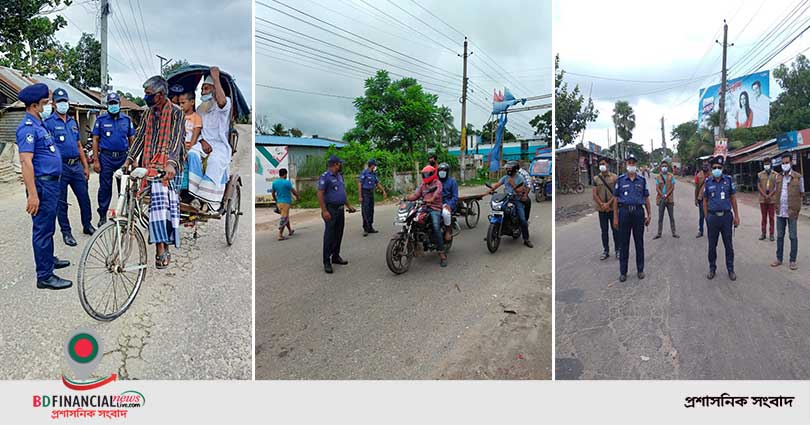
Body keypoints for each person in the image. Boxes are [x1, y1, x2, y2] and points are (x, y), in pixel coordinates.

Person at [124, 75, 185, 269]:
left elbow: (176, 140)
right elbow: (140, 136)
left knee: (160, 207)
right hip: (150, 162)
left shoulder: (176, 113)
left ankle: (162, 248)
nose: (146, 97)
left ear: (160, 95)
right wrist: (129, 159)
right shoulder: (147, 113)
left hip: (169, 166)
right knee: (133, 191)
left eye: (148, 94)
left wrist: (171, 163)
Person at [15, 83, 72, 289]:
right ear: (34, 106)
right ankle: (45, 276)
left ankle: (49, 260)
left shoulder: (40, 124)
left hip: (51, 185)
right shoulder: (27, 128)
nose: (49, 106)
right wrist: (33, 194)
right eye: (45, 103)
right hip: (42, 185)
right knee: (42, 229)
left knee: (49, 226)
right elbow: (25, 162)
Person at [44, 88, 94, 247]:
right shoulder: (49, 123)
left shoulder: (73, 122)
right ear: (53, 104)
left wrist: (85, 166)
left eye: (64, 101)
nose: (62, 104)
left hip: (76, 166)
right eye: (59, 101)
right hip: (61, 169)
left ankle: (87, 225)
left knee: (84, 198)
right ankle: (66, 232)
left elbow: (79, 145)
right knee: (62, 202)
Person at [187, 67, 231, 211]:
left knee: (215, 161)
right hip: (203, 142)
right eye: (202, 89)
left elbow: (222, 101)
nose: (203, 92)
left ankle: (209, 199)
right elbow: (197, 129)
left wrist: (216, 78)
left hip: (220, 146)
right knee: (191, 153)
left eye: (206, 89)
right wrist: (202, 141)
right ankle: (194, 195)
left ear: (214, 90)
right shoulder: (200, 108)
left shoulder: (225, 104)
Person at [92, 92, 135, 227]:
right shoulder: (101, 120)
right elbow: (95, 140)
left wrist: (133, 159)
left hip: (123, 158)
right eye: (110, 103)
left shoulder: (127, 120)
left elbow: (132, 140)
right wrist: (96, 160)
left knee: (124, 188)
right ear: (107, 105)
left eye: (115, 103)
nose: (113, 106)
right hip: (106, 158)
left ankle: (124, 215)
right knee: (105, 188)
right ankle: (103, 215)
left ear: (119, 104)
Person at [612, 154, 650, 282]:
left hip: (638, 213)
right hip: (624, 213)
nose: (631, 165)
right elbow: (616, 200)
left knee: (639, 243)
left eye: (633, 163)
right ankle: (623, 272)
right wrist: (615, 217)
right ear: (626, 164)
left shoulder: (642, 180)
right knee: (624, 243)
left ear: (636, 165)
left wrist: (649, 214)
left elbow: (646, 198)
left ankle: (640, 269)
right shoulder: (620, 180)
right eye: (630, 163)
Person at [703, 155, 740, 281]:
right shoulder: (708, 182)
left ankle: (731, 269)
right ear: (711, 169)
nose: (717, 169)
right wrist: (706, 216)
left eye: (719, 167)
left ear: (723, 168)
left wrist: (736, 216)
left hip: (726, 218)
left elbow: (733, 199)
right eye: (714, 167)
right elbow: (705, 200)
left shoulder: (728, 180)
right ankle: (712, 268)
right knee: (712, 245)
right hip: (713, 218)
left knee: (728, 245)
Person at [318, 155, 356, 273]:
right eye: (340, 164)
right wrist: (324, 210)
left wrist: (348, 206)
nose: (341, 166)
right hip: (330, 209)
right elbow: (320, 194)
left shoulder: (340, 176)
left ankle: (335, 256)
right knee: (330, 235)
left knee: (339, 234)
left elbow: (342, 193)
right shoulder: (325, 177)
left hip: (340, 210)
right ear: (335, 164)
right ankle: (326, 261)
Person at [406, 165, 448, 266]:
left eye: (427, 174)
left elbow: (437, 193)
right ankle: (416, 243)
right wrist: (407, 198)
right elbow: (416, 195)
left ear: (433, 174)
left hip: (435, 208)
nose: (425, 176)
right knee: (412, 220)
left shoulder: (437, 183)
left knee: (435, 226)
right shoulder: (423, 185)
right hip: (424, 207)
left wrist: (432, 199)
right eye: (424, 174)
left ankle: (442, 254)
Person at [488, 160, 534, 248]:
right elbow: (497, 184)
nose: (508, 170)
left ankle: (526, 239)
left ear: (514, 169)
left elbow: (520, 191)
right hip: (506, 198)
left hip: (517, 199)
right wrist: (491, 189)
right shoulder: (505, 177)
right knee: (499, 210)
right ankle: (494, 232)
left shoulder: (520, 178)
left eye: (509, 168)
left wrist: (513, 184)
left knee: (523, 220)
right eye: (507, 168)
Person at [771, 153, 805, 271]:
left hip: (792, 212)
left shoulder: (798, 177)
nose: (784, 165)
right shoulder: (778, 177)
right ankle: (779, 259)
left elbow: (801, 193)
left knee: (793, 236)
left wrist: (796, 206)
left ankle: (792, 261)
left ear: (791, 163)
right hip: (780, 211)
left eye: (787, 163)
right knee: (780, 236)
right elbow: (776, 191)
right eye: (783, 163)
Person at [592, 157, 618, 260]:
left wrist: (608, 204)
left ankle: (618, 250)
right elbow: (594, 194)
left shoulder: (614, 177)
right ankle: (606, 251)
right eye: (600, 164)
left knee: (615, 230)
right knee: (604, 231)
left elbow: (616, 193)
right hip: (601, 209)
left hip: (613, 209)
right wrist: (602, 204)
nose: (602, 165)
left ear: (608, 165)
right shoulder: (596, 179)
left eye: (603, 163)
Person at [178, 91, 202, 193]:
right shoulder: (178, 116)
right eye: (180, 103)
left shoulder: (196, 118)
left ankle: (189, 190)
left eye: (183, 103)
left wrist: (188, 150)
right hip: (178, 146)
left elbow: (195, 137)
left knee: (188, 159)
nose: (181, 105)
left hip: (189, 147)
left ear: (192, 102)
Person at [358, 159, 387, 236]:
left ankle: (370, 227)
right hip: (365, 193)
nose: (375, 167)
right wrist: (360, 196)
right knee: (365, 211)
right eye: (375, 165)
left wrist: (383, 191)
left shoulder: (373, 174)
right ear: (372, 165)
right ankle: (365, 229)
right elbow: (360, 184)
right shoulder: (364, 173)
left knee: (371, 210)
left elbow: (377, 183)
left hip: (371, 193)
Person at [653, 159, 679, 239]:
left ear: (668, 167)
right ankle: (659, 233)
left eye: (665, 166)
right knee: (660, 217)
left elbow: (672, 187)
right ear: (660, 168)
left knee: (672, 217)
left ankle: (674, 232)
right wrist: (662, 195)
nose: (664, 167)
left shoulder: (671, 176)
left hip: (669, 199)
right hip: (661, 199)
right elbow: (657, 188)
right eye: (663, 166)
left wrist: (666, 195)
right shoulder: (658, 177)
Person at [271, 168, 299, 241]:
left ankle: (290, 230)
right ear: (285, 174)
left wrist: (276, 200)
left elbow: (273, 193)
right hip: (286, 203)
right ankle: (280, 235)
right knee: (284, 218)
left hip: (279, 203)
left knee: (286, 217)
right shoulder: (287, 182)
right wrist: (298, 196)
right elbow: (293, 191)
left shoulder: (275, 183)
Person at [756, 158, 777, 241]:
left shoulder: (775, 175)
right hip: (762, 199)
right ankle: (763, 233)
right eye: (765, 164)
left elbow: (776, 187)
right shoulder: (759, 174)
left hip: (772, 199)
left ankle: (771, 234)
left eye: (768, 164)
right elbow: (758, 185)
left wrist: (770, 195)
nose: (766, 165)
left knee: (771, 217)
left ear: (771, 164)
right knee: (763, 217)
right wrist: (765, 195)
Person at [437, 162, 458, 242]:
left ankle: (448, 230)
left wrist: (449, 205)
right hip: (436, 203)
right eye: (440, 170)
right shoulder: (435, 181)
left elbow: (455, 196)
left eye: (444, 170)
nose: (442, 172)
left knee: (445, 213)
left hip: (447, 203)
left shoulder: (452, 182)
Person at [694, 160, 711, 238]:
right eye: (704, 165)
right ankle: (701, 231)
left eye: (706, 165)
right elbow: (697, 188)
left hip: (711, 198)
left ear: (709, 166)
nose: (705, 167)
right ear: (702, 166)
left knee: (710, 216)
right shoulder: (698, 175)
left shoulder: (712, 175)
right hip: (701, 198)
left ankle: (711, 231)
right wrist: (696, 199)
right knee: (702, 216)